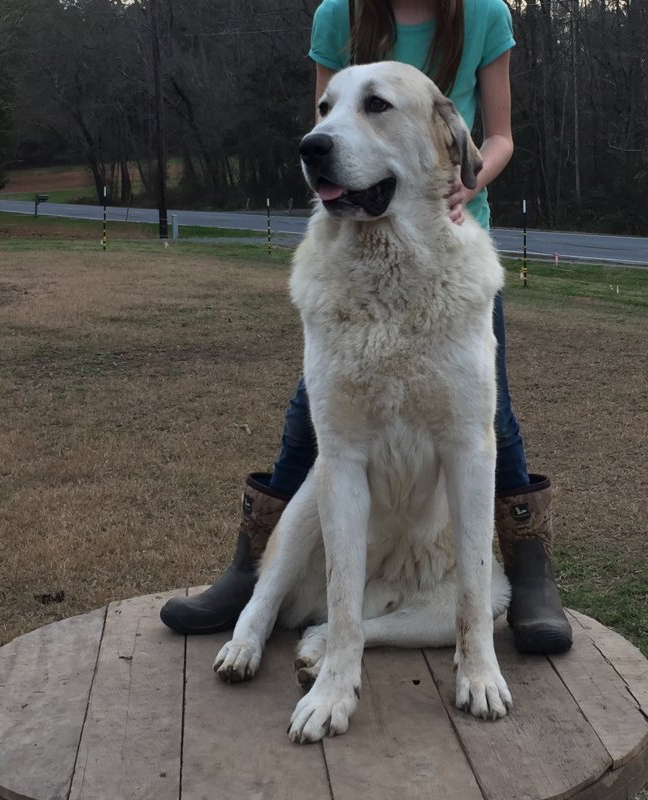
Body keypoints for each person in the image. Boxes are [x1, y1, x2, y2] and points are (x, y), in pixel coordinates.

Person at [160, 0, 572, 655]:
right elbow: (332, 132)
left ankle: (529, 575)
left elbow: (500, 136)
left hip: (447, 229)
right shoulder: (337, 15)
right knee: (309, 419)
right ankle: (252, 571)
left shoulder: (486, 14)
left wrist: (469, 180)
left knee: (494, 419)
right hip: (352, 254)